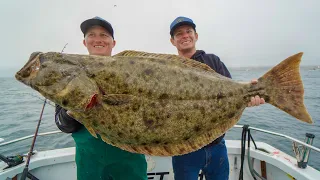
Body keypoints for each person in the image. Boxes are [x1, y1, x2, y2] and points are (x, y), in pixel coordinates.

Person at [169, 16, 265, 180]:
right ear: (173, 41)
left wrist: (250, 94)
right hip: (184, 149)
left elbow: (233, 94)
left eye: (188, 31)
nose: (185, 36)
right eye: (179, 34)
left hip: (216, 146)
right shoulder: (169, 69)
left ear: (196, 36)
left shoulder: (212, 60)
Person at [55, 16, 147, 180]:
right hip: (90, 159)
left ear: (113, 42)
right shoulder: (70, 75)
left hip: (129, 157)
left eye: (104, 35)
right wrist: (72, 111)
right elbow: (63, 125)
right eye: (92, 35)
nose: (98, 39)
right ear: (85, 42)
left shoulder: (131, 72)